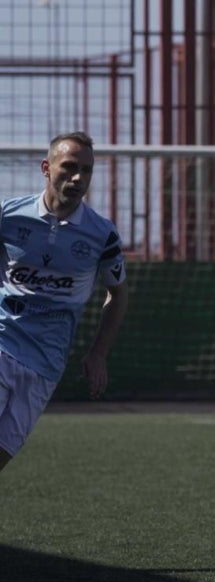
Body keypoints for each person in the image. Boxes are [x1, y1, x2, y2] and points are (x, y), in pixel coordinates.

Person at [0, 131, 129, 473]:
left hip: (46, 364)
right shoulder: (8, 216)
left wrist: (98, 353)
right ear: (46, 167)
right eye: (69, 167)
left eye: (86, 170)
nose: (77, 178)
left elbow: (118, 294)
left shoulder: (102, 234)